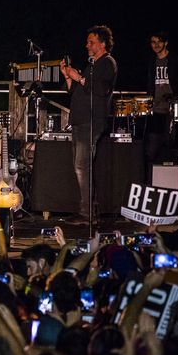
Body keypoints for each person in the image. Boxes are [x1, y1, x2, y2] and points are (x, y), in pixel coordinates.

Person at [59, 25, 118, 225]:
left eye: (91, 42)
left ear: (102, 44)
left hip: (91, 120)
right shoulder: (92, 65)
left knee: (82, 166)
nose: (87, 45)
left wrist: (78, 77)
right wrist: (68, 77)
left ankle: (87, 213)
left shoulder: (107, 63)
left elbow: (100, 89)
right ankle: (89, 210)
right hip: (80, 120)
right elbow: (76, 91)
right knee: (80, 166)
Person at [145, 31, 178, 161]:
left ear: (166, 43)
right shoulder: (152, 60)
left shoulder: (175, 59)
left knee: (173, 143)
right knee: (153, 144)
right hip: (157, 109)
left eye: (159, 42)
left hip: (173, 109)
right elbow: (150, 82)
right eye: (153, 42)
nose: (156, 45)